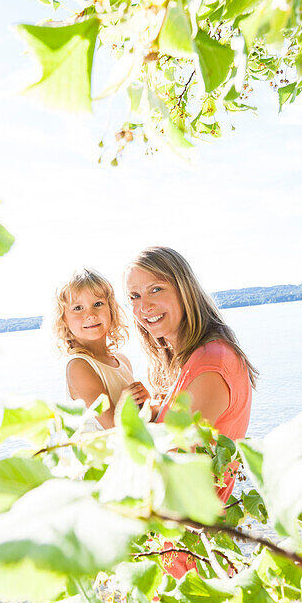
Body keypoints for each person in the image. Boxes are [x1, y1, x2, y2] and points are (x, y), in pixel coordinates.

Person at [126, 246, 257, 577]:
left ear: (184, 289)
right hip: (178, 547)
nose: (145, 307)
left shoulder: (212, 362)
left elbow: (175, 468)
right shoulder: (190, 359)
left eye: (156, 289)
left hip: (188, 558)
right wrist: (151, 410)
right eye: (135, 296)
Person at [50, 268, 150, 429]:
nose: (90, 314)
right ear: (63, 319)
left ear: (111, 309)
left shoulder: (122, 361)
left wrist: (144, 402)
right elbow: (113, 427)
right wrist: (126, 403)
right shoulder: (79, 366)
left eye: (98, 304)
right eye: (78, 308)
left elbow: (137, 423)